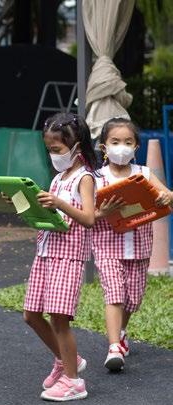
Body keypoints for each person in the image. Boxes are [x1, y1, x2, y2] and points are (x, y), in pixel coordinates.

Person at [22, 113, 96, 402]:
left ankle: (74, 382)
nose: (53, 154)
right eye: (49, 149)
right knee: (31, 315)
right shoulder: (57, 179)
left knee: (59, 319)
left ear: (77, 146)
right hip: (45, 253)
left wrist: (59, 203)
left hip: (68, 256)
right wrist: (23, 201)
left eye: (57, 149)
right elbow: (48, 215)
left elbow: (88, 218)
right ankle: (67, 361)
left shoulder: (84, 177)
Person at [93, 117, 172, 371]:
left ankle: (121, 332)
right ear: (104, 147)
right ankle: (114, 347)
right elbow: (85, 213)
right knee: (114, 293)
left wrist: (165, 197)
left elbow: (167, 196)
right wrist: (102, 212)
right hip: (107, 246)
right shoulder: (95, 178)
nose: (122, 147)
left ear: (136, 146)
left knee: (132, 300)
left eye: (128, 142)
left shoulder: (144, 174)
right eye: (115, 141)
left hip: (139, 247)